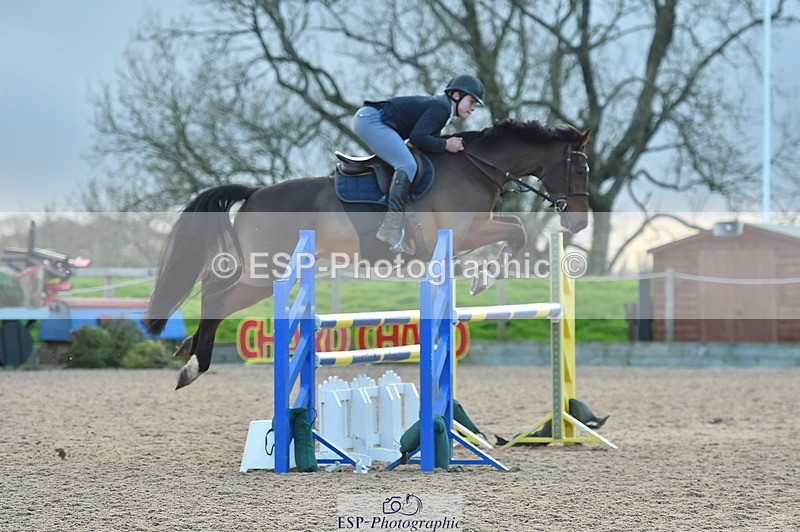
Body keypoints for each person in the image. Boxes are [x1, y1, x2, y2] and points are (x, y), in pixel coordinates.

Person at [352, 74, 485, 254]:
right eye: (471, 101)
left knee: (410, 162)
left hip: (371, 119)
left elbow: (422, 142)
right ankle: (390, 226)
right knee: (407, 165)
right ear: (456, 95)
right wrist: (446, 144)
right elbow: (417, 138)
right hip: (370, 120)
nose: (473, 108)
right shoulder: (441, 108)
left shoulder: (443, 109)